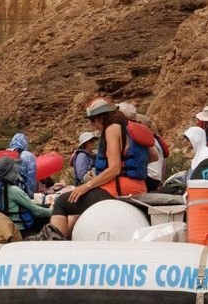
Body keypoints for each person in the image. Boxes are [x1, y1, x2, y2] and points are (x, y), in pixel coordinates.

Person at [51, 99, 151, 238]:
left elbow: (114, 169)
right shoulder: (130, 128)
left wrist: (86, 186)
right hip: (139, 187)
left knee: (62, 202)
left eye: (92, 121)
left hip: (118, 189)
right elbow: (153, 156)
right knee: (77, 205)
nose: (93, 125)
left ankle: (54, 244)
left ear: (100, 118)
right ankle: (68, 239)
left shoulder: (111, 129)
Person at [119, 102, 169, 186]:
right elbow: (162, 161)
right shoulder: (155, 139)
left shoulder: (138, 136)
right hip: (156, 178)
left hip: (147, 177)